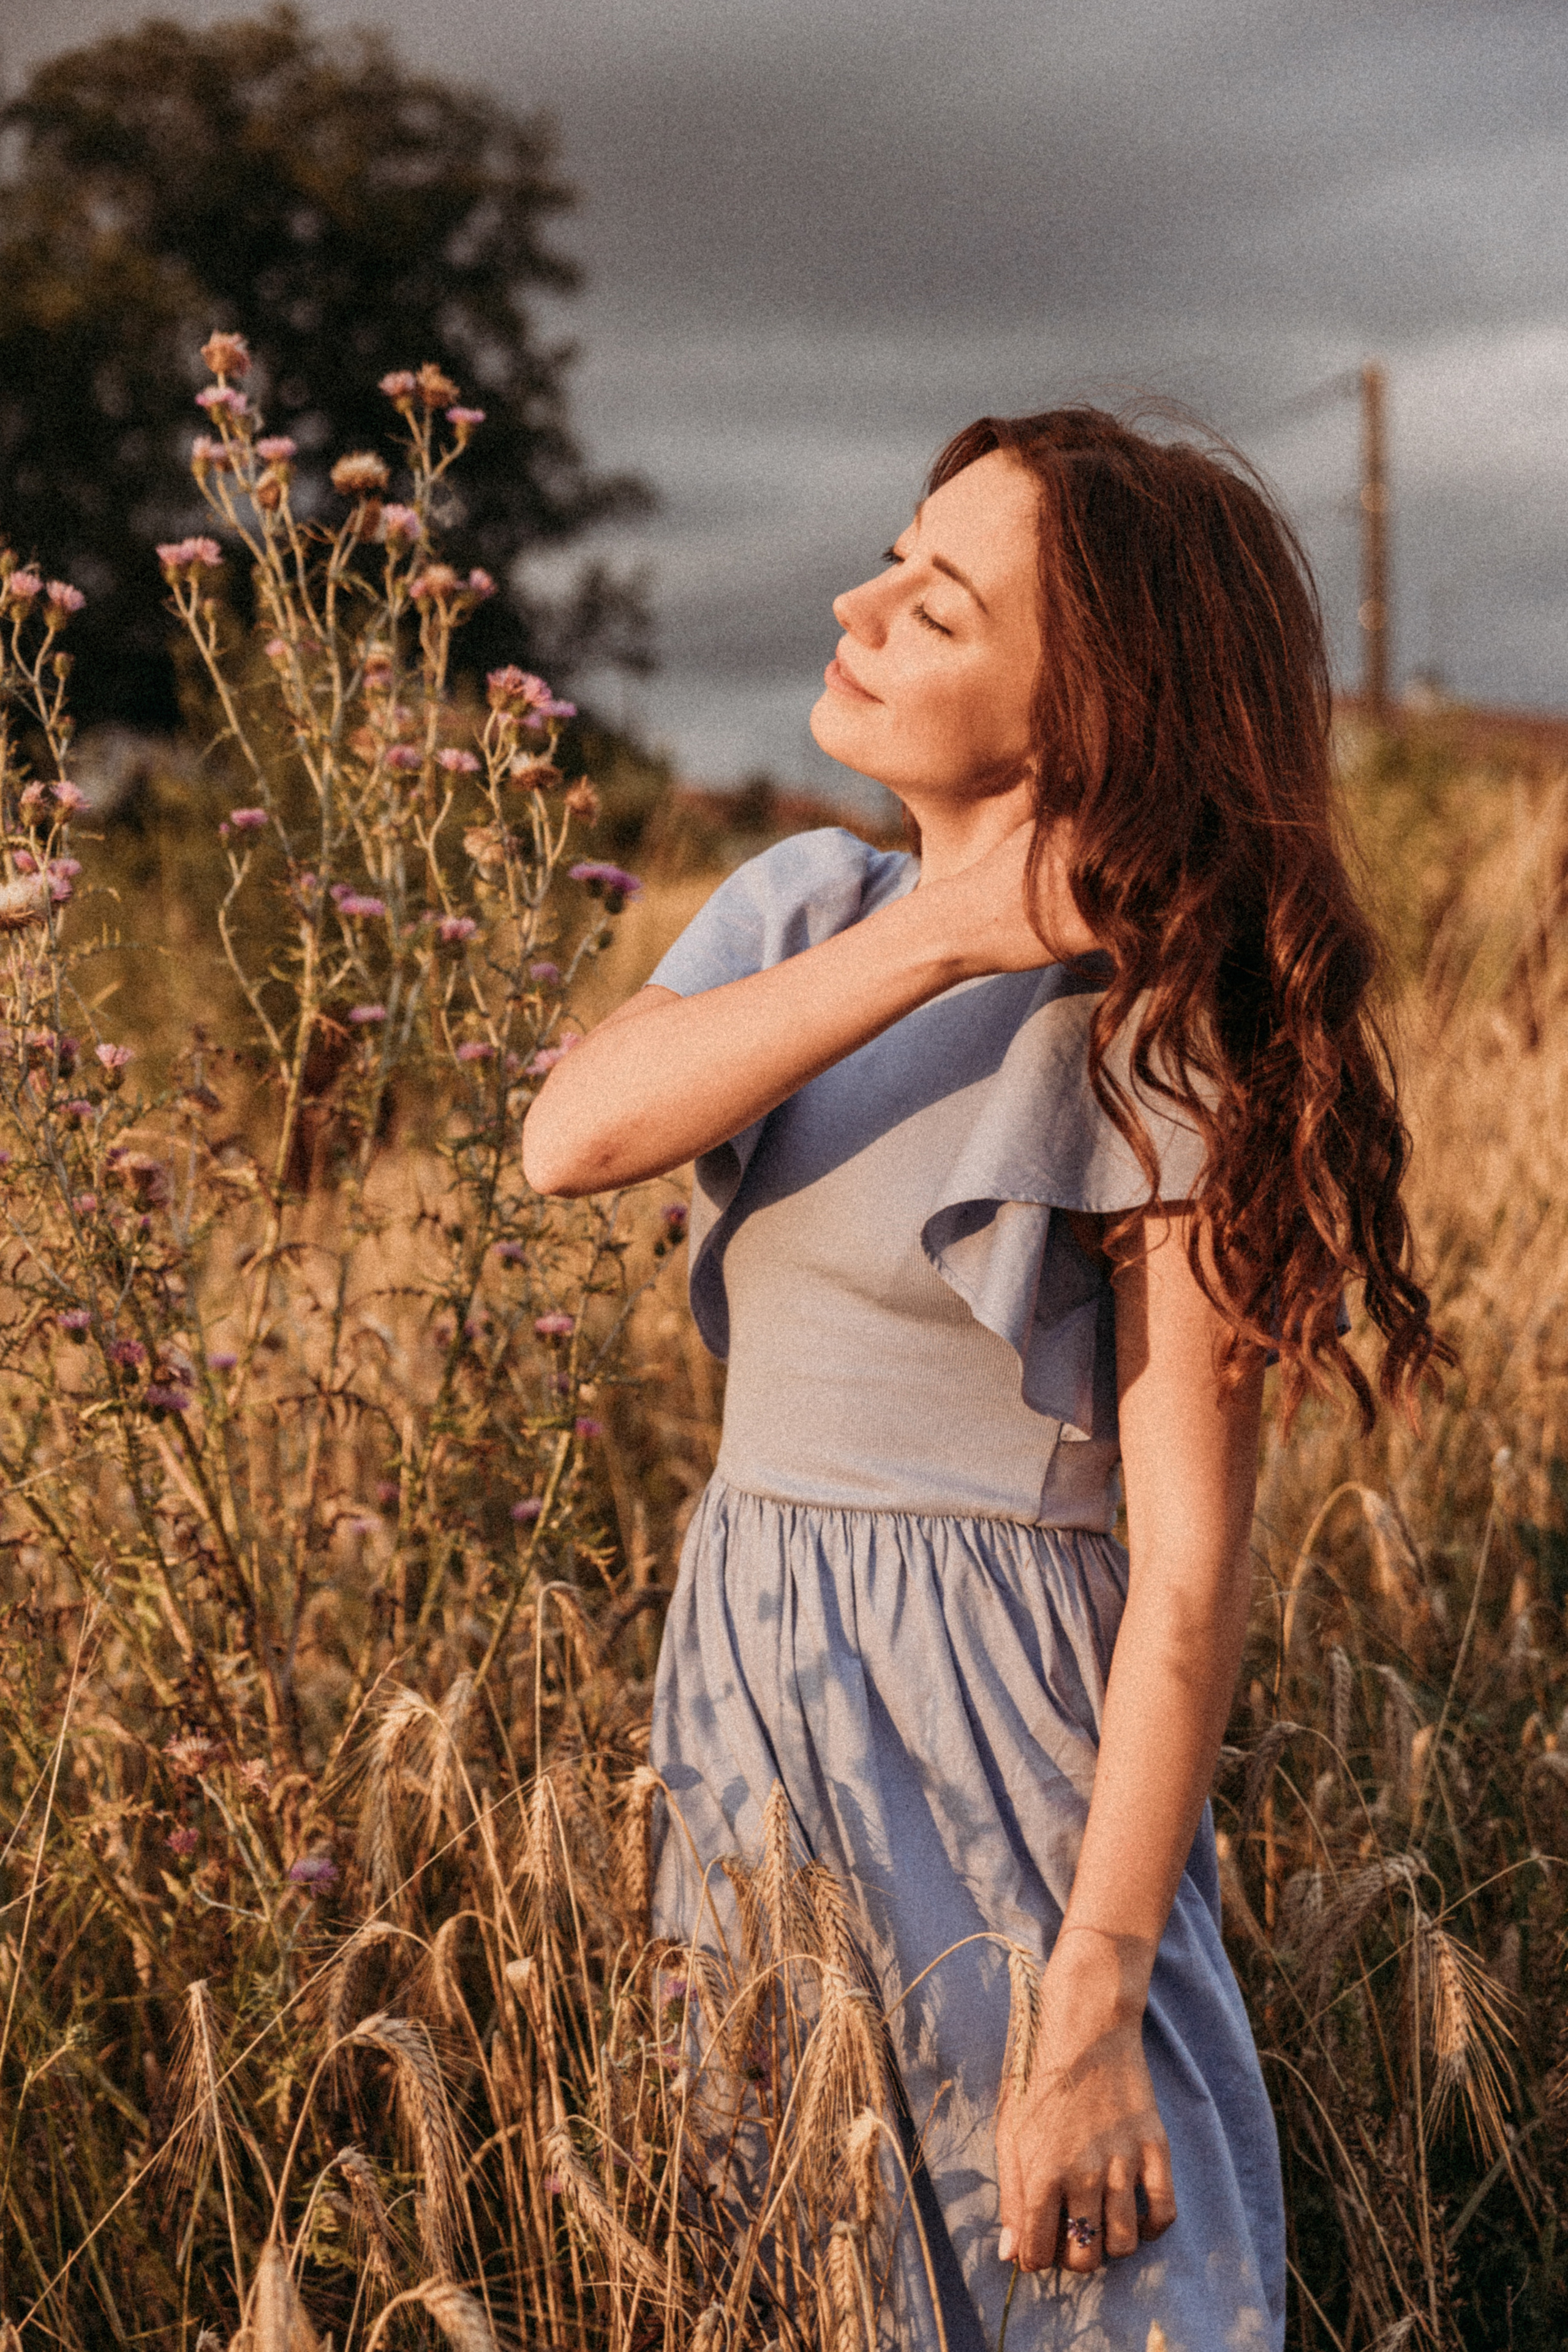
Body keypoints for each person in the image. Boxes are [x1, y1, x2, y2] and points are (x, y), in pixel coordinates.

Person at [522, 407, 1447, 2351]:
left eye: (935, 607)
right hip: (759, 1726)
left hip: (1005, 1769)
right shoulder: (800, 913)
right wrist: (950, 923)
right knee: (794, 2281)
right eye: (889, 556)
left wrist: (1099, 1990)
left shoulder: (1153, 1054)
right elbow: (574, 1135)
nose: (856, 606)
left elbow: (1189, 1578)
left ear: (1083, 710)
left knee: (1076, 2296)